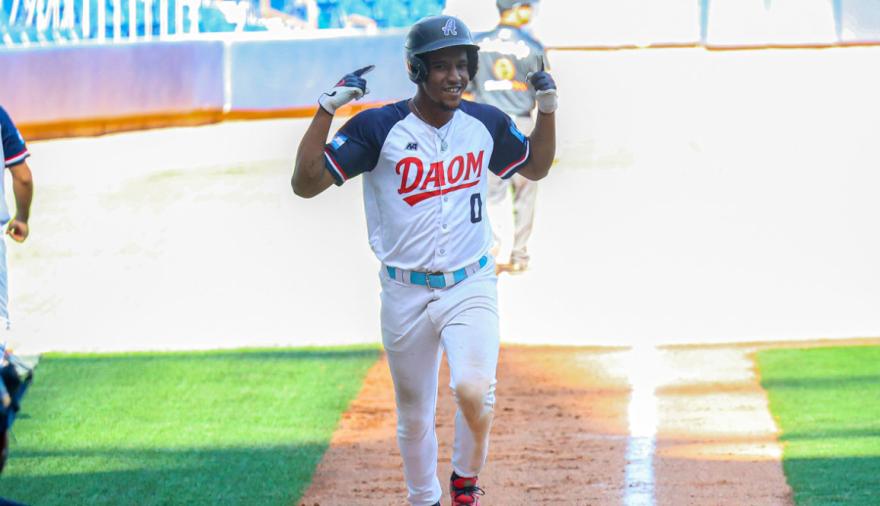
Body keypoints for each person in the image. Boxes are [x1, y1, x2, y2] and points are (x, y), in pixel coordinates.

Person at [291, 14, 557, 506]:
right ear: (416, 70)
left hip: (470, 282)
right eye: (442, 67)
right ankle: (423, 498)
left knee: (475, 390)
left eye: (462, 65)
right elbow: (305, 183)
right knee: (413, 413)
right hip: (403, 292)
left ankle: (463, 482)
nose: (455, 76)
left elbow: (535, 166)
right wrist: (326, 110)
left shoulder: (485, 123)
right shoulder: (377, 127)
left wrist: (547, 108)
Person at [468, 0, 546, 274]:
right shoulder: (532, 46)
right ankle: (519, 255)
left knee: (489, 191)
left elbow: (467, 87)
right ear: (517, 7)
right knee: (525, 192)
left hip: (488, 124)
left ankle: (492, 246)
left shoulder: (478, 45)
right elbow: (542, 91)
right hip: (521, 124)